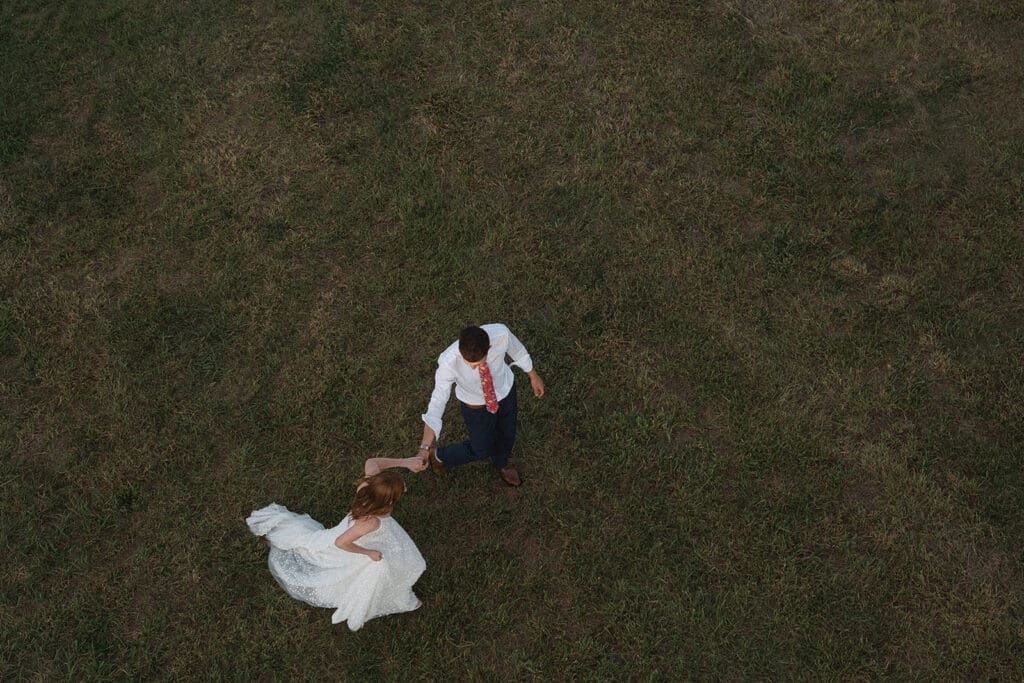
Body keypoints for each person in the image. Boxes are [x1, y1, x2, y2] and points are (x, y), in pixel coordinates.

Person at [246, 456, 427, 631]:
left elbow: (372, 462)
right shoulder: (370, 522)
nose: (404, 487)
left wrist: (406, 462)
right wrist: (368, 553)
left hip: (354, 531)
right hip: (352, 539)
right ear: (389, 500)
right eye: (400, 489)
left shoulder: (367, 485)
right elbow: (341, 542)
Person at [416, 323, 545, 486]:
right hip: (475, 406)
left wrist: (533, 376)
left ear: (489, 347)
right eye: (469, 363)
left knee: (508, 433)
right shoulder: (448, 362)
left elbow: (518, 351)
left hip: (505, 392)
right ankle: (440, 456)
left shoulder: (501, 335)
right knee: (482, 448)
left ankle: (502, 463)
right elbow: (437, 402)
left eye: (477, 364)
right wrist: (424, 447)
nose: (472, 367)